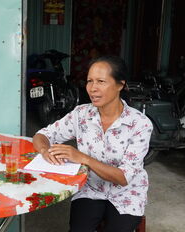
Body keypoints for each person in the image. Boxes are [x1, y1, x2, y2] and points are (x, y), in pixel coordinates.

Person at [33, 56, 153, 232]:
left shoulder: (139, 124)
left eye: (101, 81)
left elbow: (123, 178)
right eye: (89, 81)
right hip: (91, 189)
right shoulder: (81, 114)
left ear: (120, 85)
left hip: (127, 195)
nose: (92, 88)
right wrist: (45, 151)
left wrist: (82, 158)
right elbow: (42, 135)